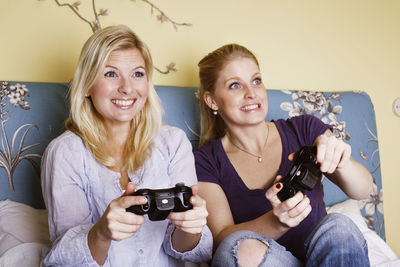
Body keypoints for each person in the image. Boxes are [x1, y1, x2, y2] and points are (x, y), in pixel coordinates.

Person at [41, 25, 212, 266]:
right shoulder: (65, 153)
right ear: (88, 85)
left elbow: (192, 251)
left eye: (138, 74)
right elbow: (65, 260)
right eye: (111, 74)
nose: (127, 88)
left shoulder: (173, 143)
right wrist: (101, 232)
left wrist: (191, 227)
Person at [194, 43, 373, 266]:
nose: (251, 93)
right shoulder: (206, 161)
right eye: (235, 85)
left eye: (256, 81)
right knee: (239, 248)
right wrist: (277, 222)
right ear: (212, 101)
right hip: (270, 261)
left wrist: (340, 160)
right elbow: (222, 240)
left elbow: (364, 189)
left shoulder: (303, 129)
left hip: (328, 258)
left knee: (340, 227)